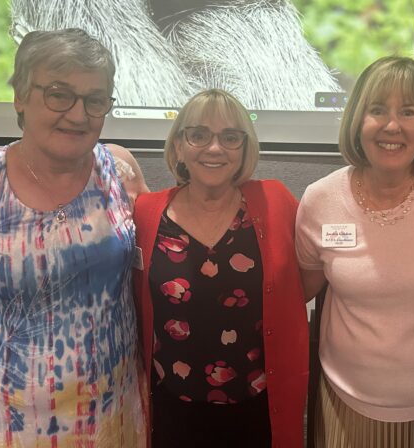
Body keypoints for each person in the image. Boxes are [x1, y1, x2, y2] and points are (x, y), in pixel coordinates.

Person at [0, 29, 149, 447]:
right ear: (20, 98)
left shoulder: (121, 171)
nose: (78, 114)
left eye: (94, 99)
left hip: (110, 421)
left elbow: (151, 281)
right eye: (59, 94)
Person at [296, 56, 414, 448]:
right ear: (357, 121)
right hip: (343, 400)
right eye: (377, 110)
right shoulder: (321, 200)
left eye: (408, 111)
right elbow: (301, 291)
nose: (392, 126)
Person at [132, 89, 308, 448]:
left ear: (244, 147)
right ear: (179, 146)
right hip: (172, 411)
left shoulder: (276, 202)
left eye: (230, 137)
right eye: (198, 135)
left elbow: (304, 282)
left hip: (256, 409)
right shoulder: (145, 214)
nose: (214, 148)